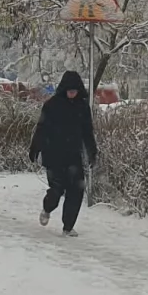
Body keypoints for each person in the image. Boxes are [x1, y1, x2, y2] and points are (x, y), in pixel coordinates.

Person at [28, 70, 98, 236]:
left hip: (74, 156)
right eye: (69, 90)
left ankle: (68, 226)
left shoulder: (83, 107)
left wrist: (92, 151)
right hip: (54, 155)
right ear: (64, 89)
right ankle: (47, 208)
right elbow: (41, 128)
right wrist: (35, 148)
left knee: (76, 190)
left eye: (75, 91)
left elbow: (88, 132)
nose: (72, 93)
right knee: (56, 190)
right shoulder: (52, 105)